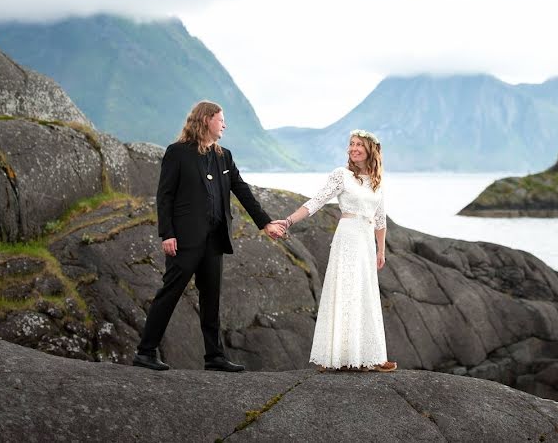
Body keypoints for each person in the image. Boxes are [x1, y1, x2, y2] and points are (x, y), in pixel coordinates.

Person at [132, 101, 285, 371]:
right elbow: (164, 196)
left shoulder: (224, 156)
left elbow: (242, 191)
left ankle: (214, 357)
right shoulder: (177, 153)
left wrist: (265, 223)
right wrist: (167, 233)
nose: (224, 125)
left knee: (211, 298)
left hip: (215, 239)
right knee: (170, 293)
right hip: (185, 240)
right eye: (220, 120)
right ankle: (145, 352)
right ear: (206, 120)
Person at [276, 129, 397, 372]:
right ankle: (338, 357)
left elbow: (380, 220)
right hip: (348, 237)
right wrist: (288, 221)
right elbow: (317, 201)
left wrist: (380, 250)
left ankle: (371, 356)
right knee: (345, 291)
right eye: (351, 144)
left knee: (366, 294)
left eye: (359, 145)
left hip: (366, 241)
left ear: (370, 150)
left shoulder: (376, 182)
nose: (353, 148)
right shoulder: (341, 175)